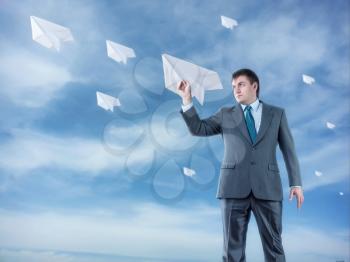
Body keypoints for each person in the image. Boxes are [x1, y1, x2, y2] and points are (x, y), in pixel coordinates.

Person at [178, 68, 304, 262]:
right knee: (232, 251)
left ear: (255, 86)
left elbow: (289, 150)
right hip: (232, 189)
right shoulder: (225, 114)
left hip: (268, 188)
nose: (236, 89)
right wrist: (187, 100)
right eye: (233, 86)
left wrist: (296, 184)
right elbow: (198, 128)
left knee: (274, 248)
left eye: (241, 84)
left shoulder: (277, 114)